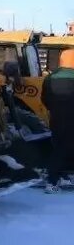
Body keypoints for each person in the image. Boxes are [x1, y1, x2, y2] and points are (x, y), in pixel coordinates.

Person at [40, 49, 74, 191]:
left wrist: (55, 109)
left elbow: (45, 99)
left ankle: (62, 175)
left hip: (57, 118)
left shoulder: (50, 78)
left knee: (59, 146)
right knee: (65, 148)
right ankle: (53, 179)